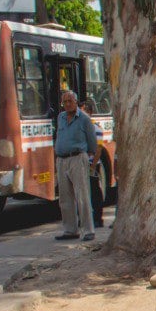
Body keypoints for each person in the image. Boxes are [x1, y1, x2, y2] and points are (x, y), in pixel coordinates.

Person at [54, 90, 98, 241]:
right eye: (64, 102)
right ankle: (70, 230)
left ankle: (88, 230)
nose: (67, 104)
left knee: (82, 195)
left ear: (76, 102)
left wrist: (90, 157)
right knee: (65, 197)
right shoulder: (60, 117)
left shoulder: (84, 119)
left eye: (70, 101)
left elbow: (92, 141)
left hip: (77, 158)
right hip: (61, 159)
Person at [80, 99, 106, 227]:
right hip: (82, 163)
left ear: (89, 112)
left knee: (95, 192)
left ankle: (98, 218)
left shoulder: (96, 128)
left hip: (92, 164)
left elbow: (99, 149)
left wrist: (93, 165)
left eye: (82, 111)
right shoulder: (81, 127)